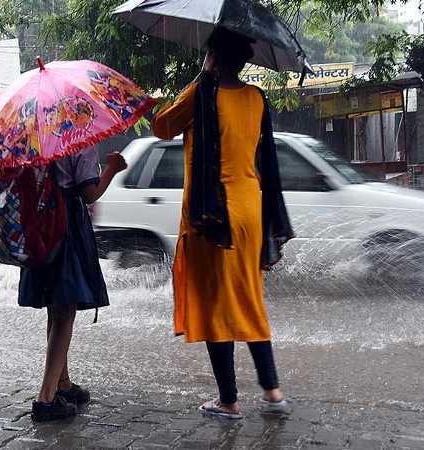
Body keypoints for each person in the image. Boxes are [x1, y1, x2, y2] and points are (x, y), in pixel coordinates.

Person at [151, 28, 294, 419]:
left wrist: (200, 76)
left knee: (216, 306)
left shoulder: (202, 95)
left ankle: (228, 400)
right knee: (248, 296)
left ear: (212, 57)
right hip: (251, 210)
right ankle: (273, 391)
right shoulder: (256, 98)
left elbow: (161, 125)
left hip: (214, 213)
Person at [18, 148, 127, 422]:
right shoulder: (77, 137)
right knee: (65, 309)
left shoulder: (35, 137)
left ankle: (61, 383)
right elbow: (90, 193)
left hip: (38, 223)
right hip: (64, 224)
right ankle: (46, 398)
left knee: (55, 308)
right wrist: (113, 167)